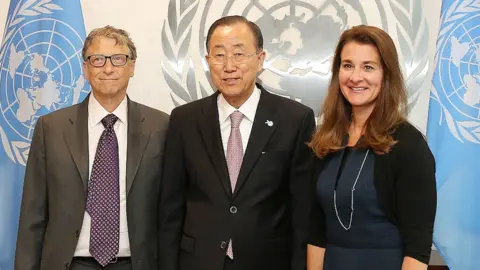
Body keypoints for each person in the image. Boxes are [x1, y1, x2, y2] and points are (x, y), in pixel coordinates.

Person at [158, 15, 315, 270]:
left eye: (239, 54)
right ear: (208, 62)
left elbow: (303, 212)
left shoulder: (295, 120)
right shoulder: (184, 120)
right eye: (219, 55)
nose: (229, 66)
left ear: (260, 59)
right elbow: (170, 210)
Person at [15, 26, 169, 270]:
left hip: (136, 263)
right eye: (97, 60)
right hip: (69, 264)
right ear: (85, 69)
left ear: (132, 67)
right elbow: (32, 214)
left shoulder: (161, 126)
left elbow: (171, 212)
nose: (108, 68)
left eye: (118, 59)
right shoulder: (51, 128)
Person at [306, 25, 436, 270]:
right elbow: (315, 232)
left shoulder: (408, 145)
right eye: (347, 65)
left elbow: (417, 249)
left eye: (368, 67)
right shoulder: (325, 140)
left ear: (386, 75)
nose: (356, 77)